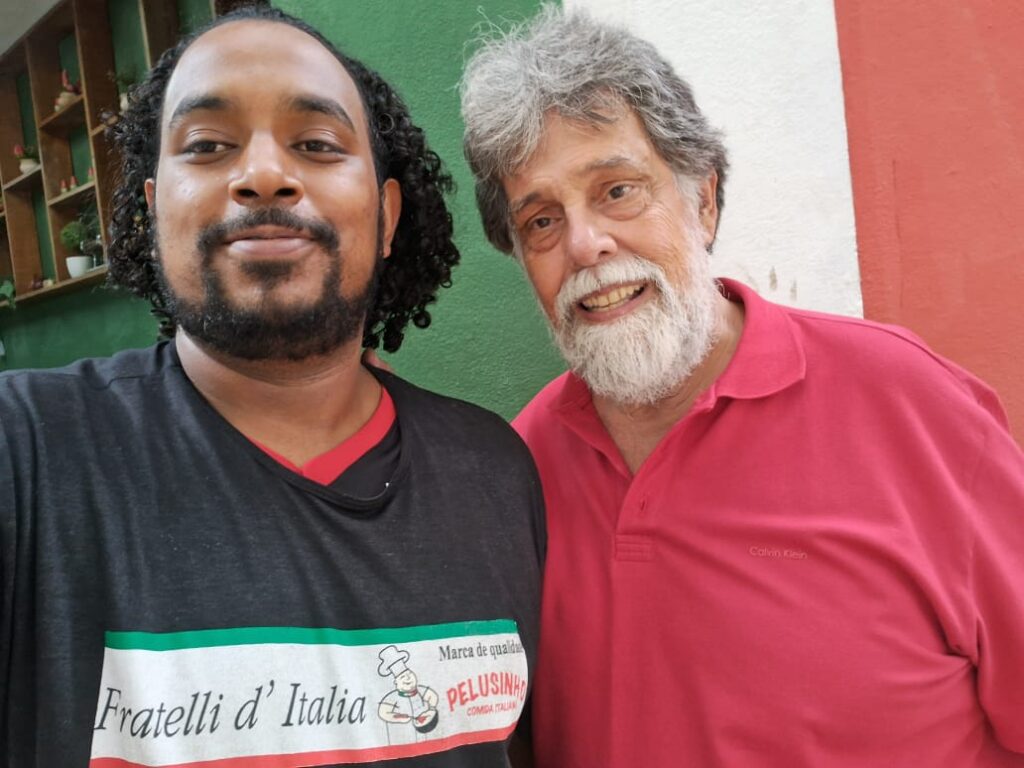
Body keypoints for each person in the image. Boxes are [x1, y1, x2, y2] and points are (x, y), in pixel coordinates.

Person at [460, 7, 1024, 767]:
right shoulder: (516, 470)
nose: (586, 243)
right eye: (541, 222)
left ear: (704, 199)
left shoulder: (910, 404)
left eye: (618, 190)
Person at [0, 7, 543, 767]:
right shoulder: (27, 450)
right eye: (207, 145)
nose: (261, 175)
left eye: (316, 144)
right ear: (154, 212)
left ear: (387, 217)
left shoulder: (495, 473)